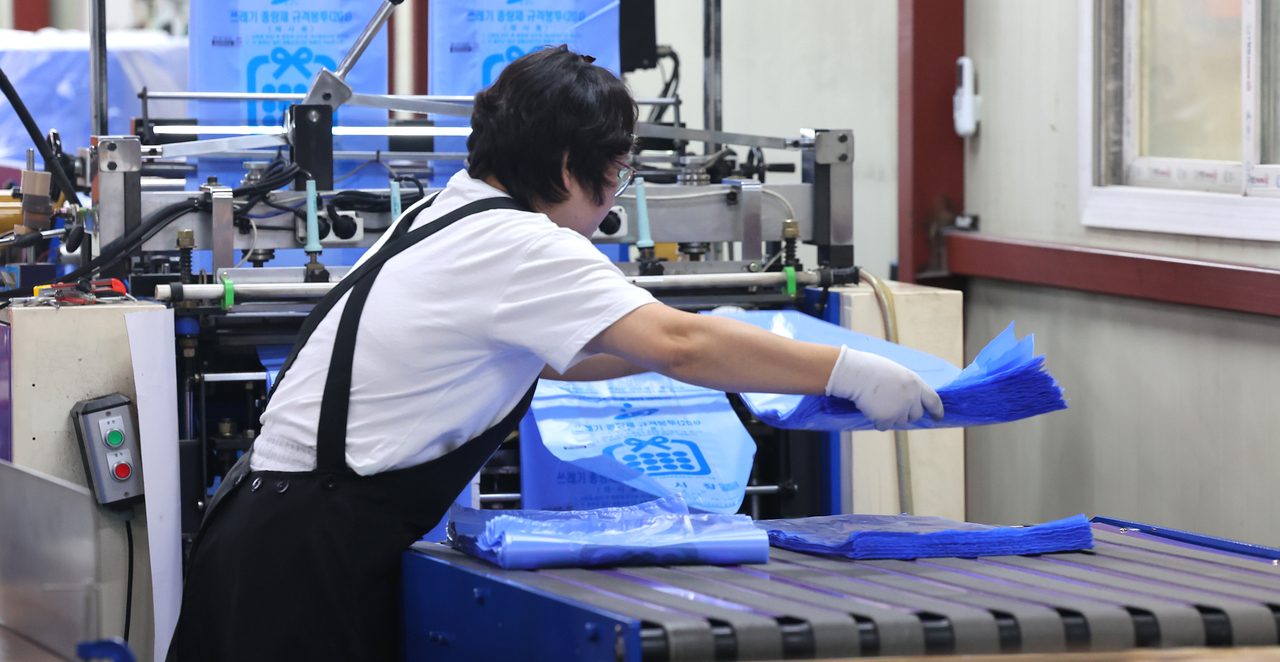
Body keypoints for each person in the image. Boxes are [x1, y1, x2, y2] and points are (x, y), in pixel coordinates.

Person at [168, 45, 942, 661]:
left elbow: (556, 356)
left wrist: (745, 343)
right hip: (302, 560)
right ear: (571, 164)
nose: (616, 194)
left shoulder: (448, 210)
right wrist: (848, 368)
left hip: (263, 532)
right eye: (617, 169)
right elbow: (675, 341)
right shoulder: (521, 243)